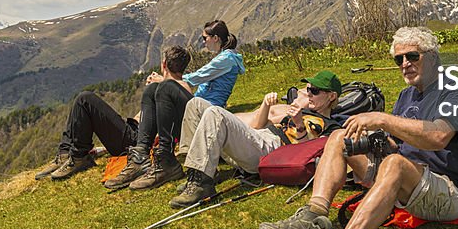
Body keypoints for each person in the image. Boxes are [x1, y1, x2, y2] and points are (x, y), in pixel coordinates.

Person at [258, 27, 458, 229]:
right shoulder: (406, 95)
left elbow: (438, 137)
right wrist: (373, 142)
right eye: (399, 60)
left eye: (412, 57)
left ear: (432, 57)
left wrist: (383, 120)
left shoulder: (456, 92)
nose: (405, 64)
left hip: (448, 190)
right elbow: (396, 144)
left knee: (395, 164)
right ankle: (313, 214)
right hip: (406, 179)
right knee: (339, 136)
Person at [167, 71, 344, 207]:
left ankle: (201, 183)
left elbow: (308, 155)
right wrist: (267, 106)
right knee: (196, 104)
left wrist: (299, 125)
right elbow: (258, 126)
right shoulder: (303, 111)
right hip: (260, 138)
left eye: (314, 91)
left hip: (273, 150)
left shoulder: (330, 127)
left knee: (215, 113)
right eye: (308, 90)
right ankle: (197, 174)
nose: (309, 94)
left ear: (331, 96)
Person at [108, 19, 246, 190]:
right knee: (152, 91)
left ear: (215, 38)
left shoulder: (227, 59)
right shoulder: (222, 58)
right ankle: (141, 155)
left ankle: (166, 160)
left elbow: (197, 77)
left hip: (208, 111)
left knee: (165, 86)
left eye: (204, 38)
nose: (203, 41)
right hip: (199, 107)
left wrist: (166, 79)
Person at [34, 44, 192, 182]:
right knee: (82, 103)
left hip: (135, 140)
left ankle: (79, 157)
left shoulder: (179, 86)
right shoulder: (167, 88)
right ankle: (65, 153)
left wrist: (162, 82)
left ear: (163, 64)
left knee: (85, 99)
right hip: (132, 131)